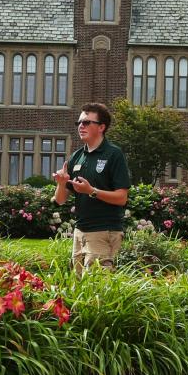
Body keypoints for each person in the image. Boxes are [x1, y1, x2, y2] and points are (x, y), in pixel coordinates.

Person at [51, 101, 130, 273]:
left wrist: (91, 191)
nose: (81, 126)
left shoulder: (113, 154)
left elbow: (122, 198)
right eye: (79, 122)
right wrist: (62, 182)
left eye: (86, 122)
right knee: (79, 289)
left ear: (101, 127)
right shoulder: (76, 157)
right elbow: (60, 200)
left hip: (104, 232)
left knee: (99, 290)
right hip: (80, 232)